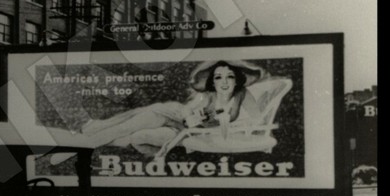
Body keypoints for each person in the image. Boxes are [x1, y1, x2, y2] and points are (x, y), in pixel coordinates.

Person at [76, 60, 266, 158]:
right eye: (218, 77)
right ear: (212, 81)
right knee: (135, 122)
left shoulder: (242, 94)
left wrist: (233, 123)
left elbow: (257, 119)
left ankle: (95, 131)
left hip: (181, 129)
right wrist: (194, 116)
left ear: (237, 79)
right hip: (176, 115)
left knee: (132, 134)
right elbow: (190, 112)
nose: (224, 82)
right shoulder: (208, 95)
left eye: (229, 76)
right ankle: (82, 145)